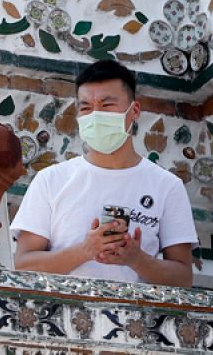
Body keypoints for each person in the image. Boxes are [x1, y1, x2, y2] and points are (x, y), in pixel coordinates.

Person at [10, 60, 196, 286]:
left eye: (107, 105)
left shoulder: (167, 186)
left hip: (138, 318)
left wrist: (137, 259)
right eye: (86, 107)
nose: (95, 115)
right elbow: (23, 264)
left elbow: (183, 278)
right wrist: (85, 250)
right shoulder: (50, 180)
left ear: (134, 111)